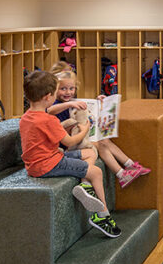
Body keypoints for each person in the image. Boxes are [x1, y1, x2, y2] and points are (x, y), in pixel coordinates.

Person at [19, 70, 121, 238]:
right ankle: (102, 215)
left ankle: (85, 185)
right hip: (49, 164)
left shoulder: (26, 117)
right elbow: (70, 142)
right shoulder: (48, 120)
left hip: (37, 163)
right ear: (48, 97)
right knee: (96, 172)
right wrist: (85, 130)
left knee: (89, 152)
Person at [48, 65, 150, 189]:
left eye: (71, 88)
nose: (68, 92)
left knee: (104, 141)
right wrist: (70, 103)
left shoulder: (71, 100)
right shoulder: (56, 103)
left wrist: (97, 102)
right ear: (54, 90)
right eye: (63, 89)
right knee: (101, 144)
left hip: (79, 137)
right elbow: (50, 110)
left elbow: (84, 107)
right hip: (67, 144)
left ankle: (129, 166)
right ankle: (122, 172)